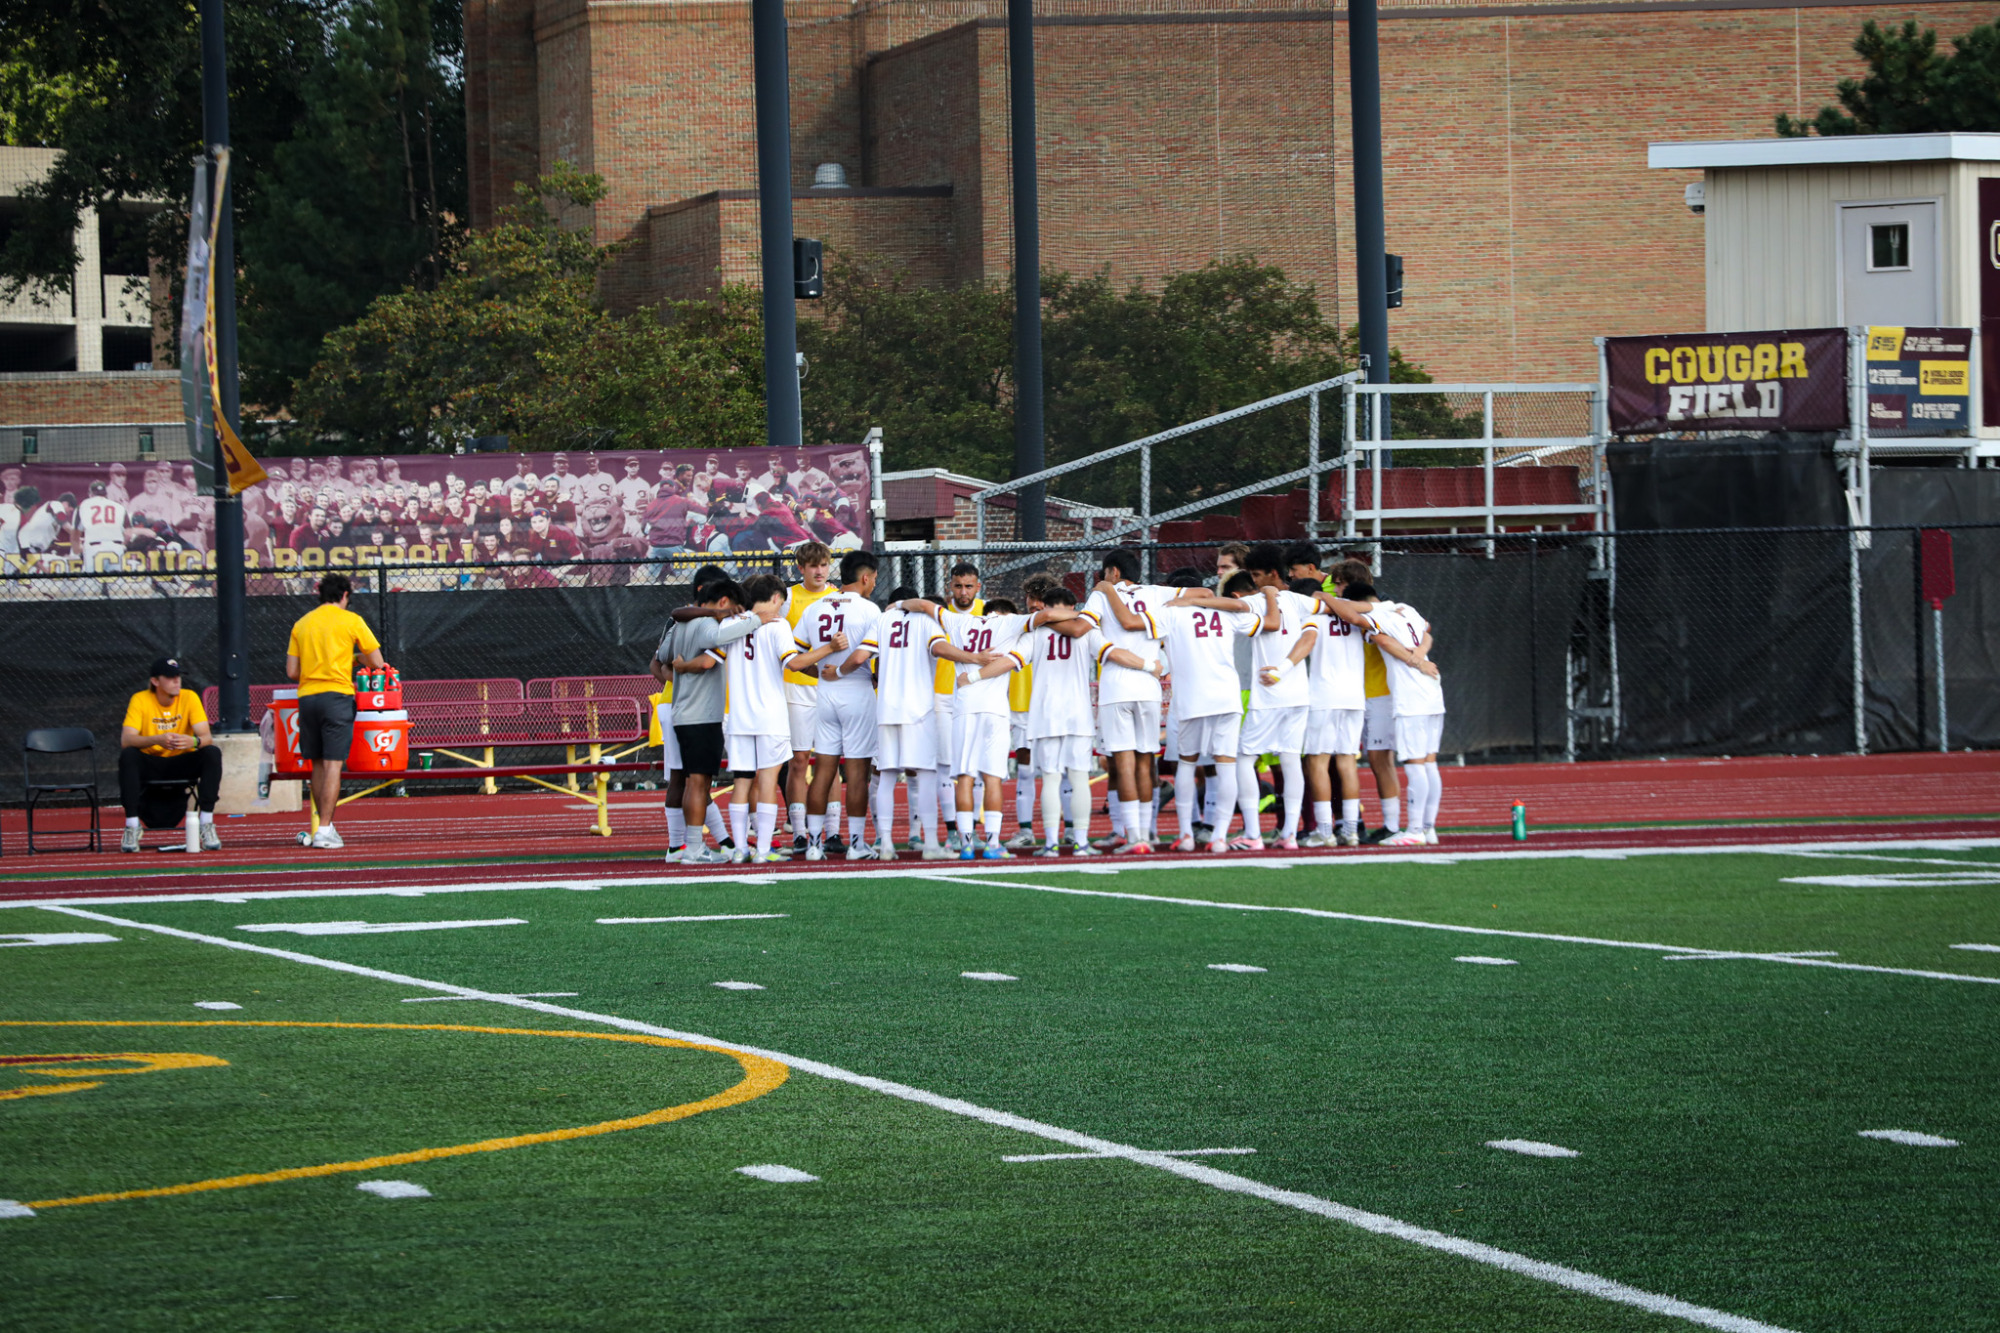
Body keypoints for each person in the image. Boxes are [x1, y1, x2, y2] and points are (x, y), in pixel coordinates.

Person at [1022, 585, 1162, 858]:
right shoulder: (1087, 632)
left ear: (1046, 607)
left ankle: (1051, 844)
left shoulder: (1036, 633)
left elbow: (1009, 660)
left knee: (1050, 778)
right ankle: (1081, 843)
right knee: (1079, 778)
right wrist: (1149, 666)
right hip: (1078, 713)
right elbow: (1116, 654)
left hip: (1045, 713)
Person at [1154, 572, 1262, 853]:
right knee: (1226, 765)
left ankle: (1186, 835)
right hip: (1226, 696)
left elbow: (1136, 625)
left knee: (1187, 765)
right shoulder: (1226, 613)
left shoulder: (1171, 612)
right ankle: (1219, 837)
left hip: (1190, 699)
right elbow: (1261, 620)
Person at [1081, 550, 1174, 852]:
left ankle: (1133, 837)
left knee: (1123, 763)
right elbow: (1197, 593)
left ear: (1113, 572)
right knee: (1146, 762)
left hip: (1116, 687)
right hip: (1149, 688)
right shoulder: (1157, 593)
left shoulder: (1102, 593)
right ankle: (1148, 835)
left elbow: (1084, 627)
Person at [285, 573, 386, 850]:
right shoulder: (351, 620)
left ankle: (323, 827)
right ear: (344, 596)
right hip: (337, 696)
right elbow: (377, 661)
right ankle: (325, 829)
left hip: (307, 698)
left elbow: (292, 671)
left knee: (316, 763)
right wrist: (352, 658)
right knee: (333, 764)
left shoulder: (302, 624)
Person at [853, 588, 952, 860]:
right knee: (925, 776)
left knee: (885, 776)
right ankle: (929, 843)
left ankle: (885, 844)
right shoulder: (926, 621)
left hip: (886, 708)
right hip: (918, 710)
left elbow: (862, 657)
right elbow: (941, 648)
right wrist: (973, 658)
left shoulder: (883, 621)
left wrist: (839, 671)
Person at [798, 551, 883, 861]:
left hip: (824, 694)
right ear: (865, 577)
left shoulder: (813, 607)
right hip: (856, 692)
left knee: (823, 771)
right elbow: (862, 657)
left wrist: (823, 673)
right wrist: (842, 671)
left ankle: (814, 844)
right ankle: (857, 844)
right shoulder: (870, 609)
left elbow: (798, 660)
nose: (874, 583)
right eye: (873, 577)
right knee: (857, 772)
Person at [666, 573, 753, 864]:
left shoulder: (680, 625)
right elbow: (716, 638)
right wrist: (756, 619)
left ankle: (692, 846)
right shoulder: (707, 623)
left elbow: (664, 657)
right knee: (699, 782)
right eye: (736, 607)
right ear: (725, 602)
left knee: (695, 780)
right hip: (702, 714)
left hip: (684, 712)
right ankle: (693, 847)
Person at [117, 656, 223, 852]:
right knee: (129, 756)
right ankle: (132, 825)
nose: (177, 681)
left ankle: (206, 822)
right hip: (151, 763)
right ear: (155, 681)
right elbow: (127, 740)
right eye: (170, 677)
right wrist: (156, 739)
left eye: (178, 676)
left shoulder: (190, 697)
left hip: (180, 762)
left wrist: (192, 741)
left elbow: (206, 737)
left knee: (212, 753)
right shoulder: (140, 699)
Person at [1369, 593, 1447, 847]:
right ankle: (1428, 827)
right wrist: (1422, 655)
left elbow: (1382, 640)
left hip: (1411, 697)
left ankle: (1415, 830)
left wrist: (1415, 661)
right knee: (1429, 762)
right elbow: (1428, 631)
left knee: (1415, 764)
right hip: (1433, 690)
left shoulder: (1377, 616)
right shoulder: (1407, 608)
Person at [780, 542, 837, 847]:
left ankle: (835, 830)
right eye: (813, 565)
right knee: (800, 761)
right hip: (796, 686)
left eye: (824, 565)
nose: (819, 571)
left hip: (832, 687)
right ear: (800, 568)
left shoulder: (840, 598)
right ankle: (800, 831)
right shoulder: (788, 598)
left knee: (830, 760)